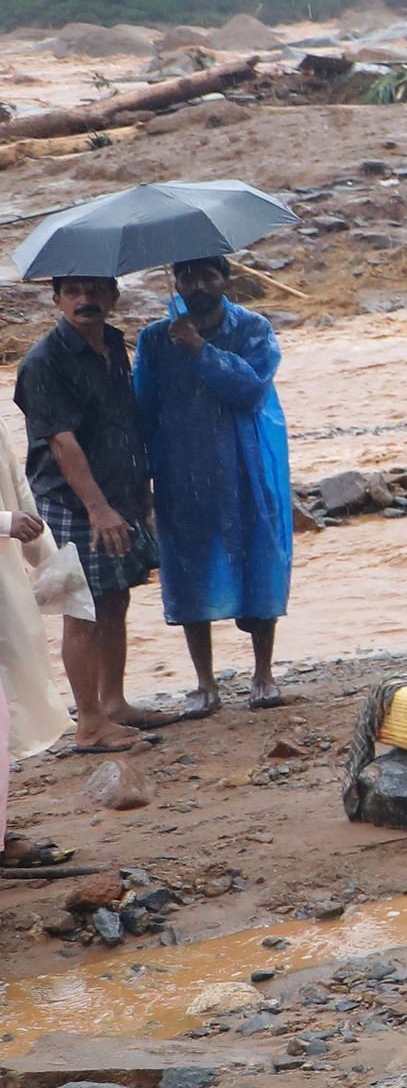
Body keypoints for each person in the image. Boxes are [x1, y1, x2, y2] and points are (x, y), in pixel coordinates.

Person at [134, 256, 294, 714]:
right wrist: (141, 478)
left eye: (207, 275)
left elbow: (250, 388)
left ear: (226, 279)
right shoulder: (153, 339)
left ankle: (263, 674)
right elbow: (143, 409)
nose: (196, 284)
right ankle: (204, 683)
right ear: (175, 281)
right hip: (181, 470)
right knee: (188, 570)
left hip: (248, 463)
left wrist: (201, 349)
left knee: (260, 559)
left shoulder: (253, 329)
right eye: (187, 275)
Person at [15, 276, 164, 752]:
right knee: (82, 609)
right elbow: (61, 441)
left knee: (116, 598)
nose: (86, 301)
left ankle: (114, 703)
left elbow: (126, 422)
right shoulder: (44, 363)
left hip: (119, 494)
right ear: (56, 299)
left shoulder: (115, 345)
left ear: (114, 296)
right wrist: (98, 509)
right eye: (74, 292)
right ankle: (90, 725)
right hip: (72, 502)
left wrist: (142, 497)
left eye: (96, 290)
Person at [0, 403, 70, 766]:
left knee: (12, 701)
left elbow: (16, 484)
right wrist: (4, 522)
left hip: (6, 577)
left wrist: (49, 560)